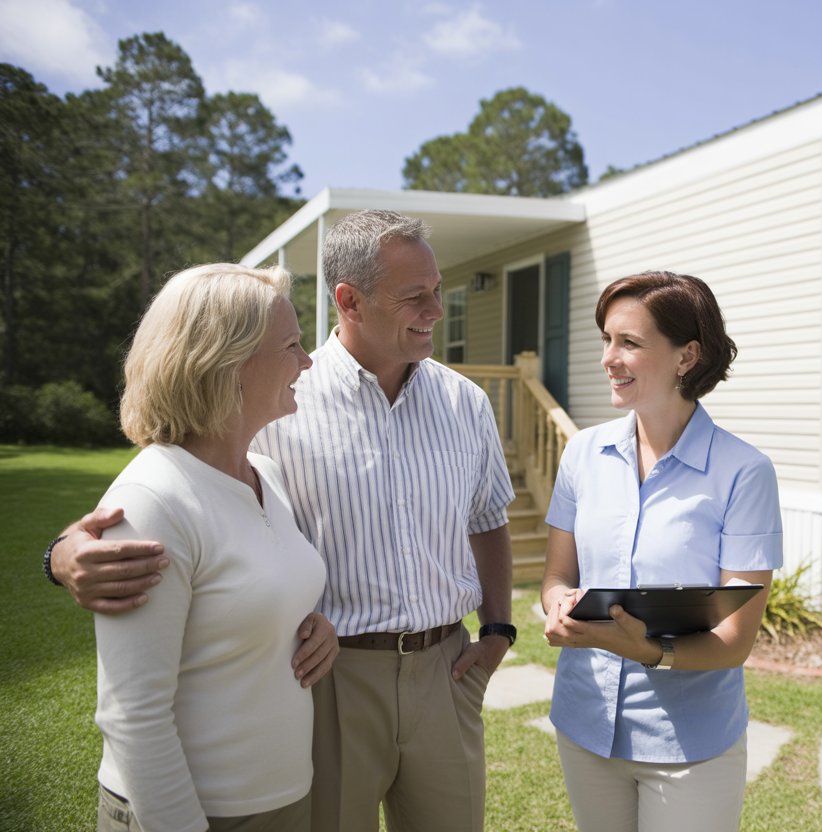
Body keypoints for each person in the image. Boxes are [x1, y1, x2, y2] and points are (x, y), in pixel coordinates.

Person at [48, 211, 516, 832]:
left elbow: (486, 516)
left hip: (446, 669)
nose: (435, 308)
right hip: (327, 680)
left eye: (437, 289)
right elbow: (173, 495)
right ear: (349, 299)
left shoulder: (463, 402)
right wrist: (61, 554)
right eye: (415, 296)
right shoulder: (277, 402)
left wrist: (499, 629)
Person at [91, 263, 336, 831]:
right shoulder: (153, 499)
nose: (307, 362)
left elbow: (243, 599)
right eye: (293, 345)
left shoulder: (266, 475)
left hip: (280, 798)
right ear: (229, 363)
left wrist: (310, 625)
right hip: (191, 813)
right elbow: (133, 714)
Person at [541, 271, 783, 832]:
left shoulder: (744, 472)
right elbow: (557, 575)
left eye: (629, 343)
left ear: (685, 356)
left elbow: (734, 642)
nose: (609, 357)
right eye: (606, 339)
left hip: (690, 745)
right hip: (585, 724)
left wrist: (648, 650)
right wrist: (557, 605)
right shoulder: (582, 453)